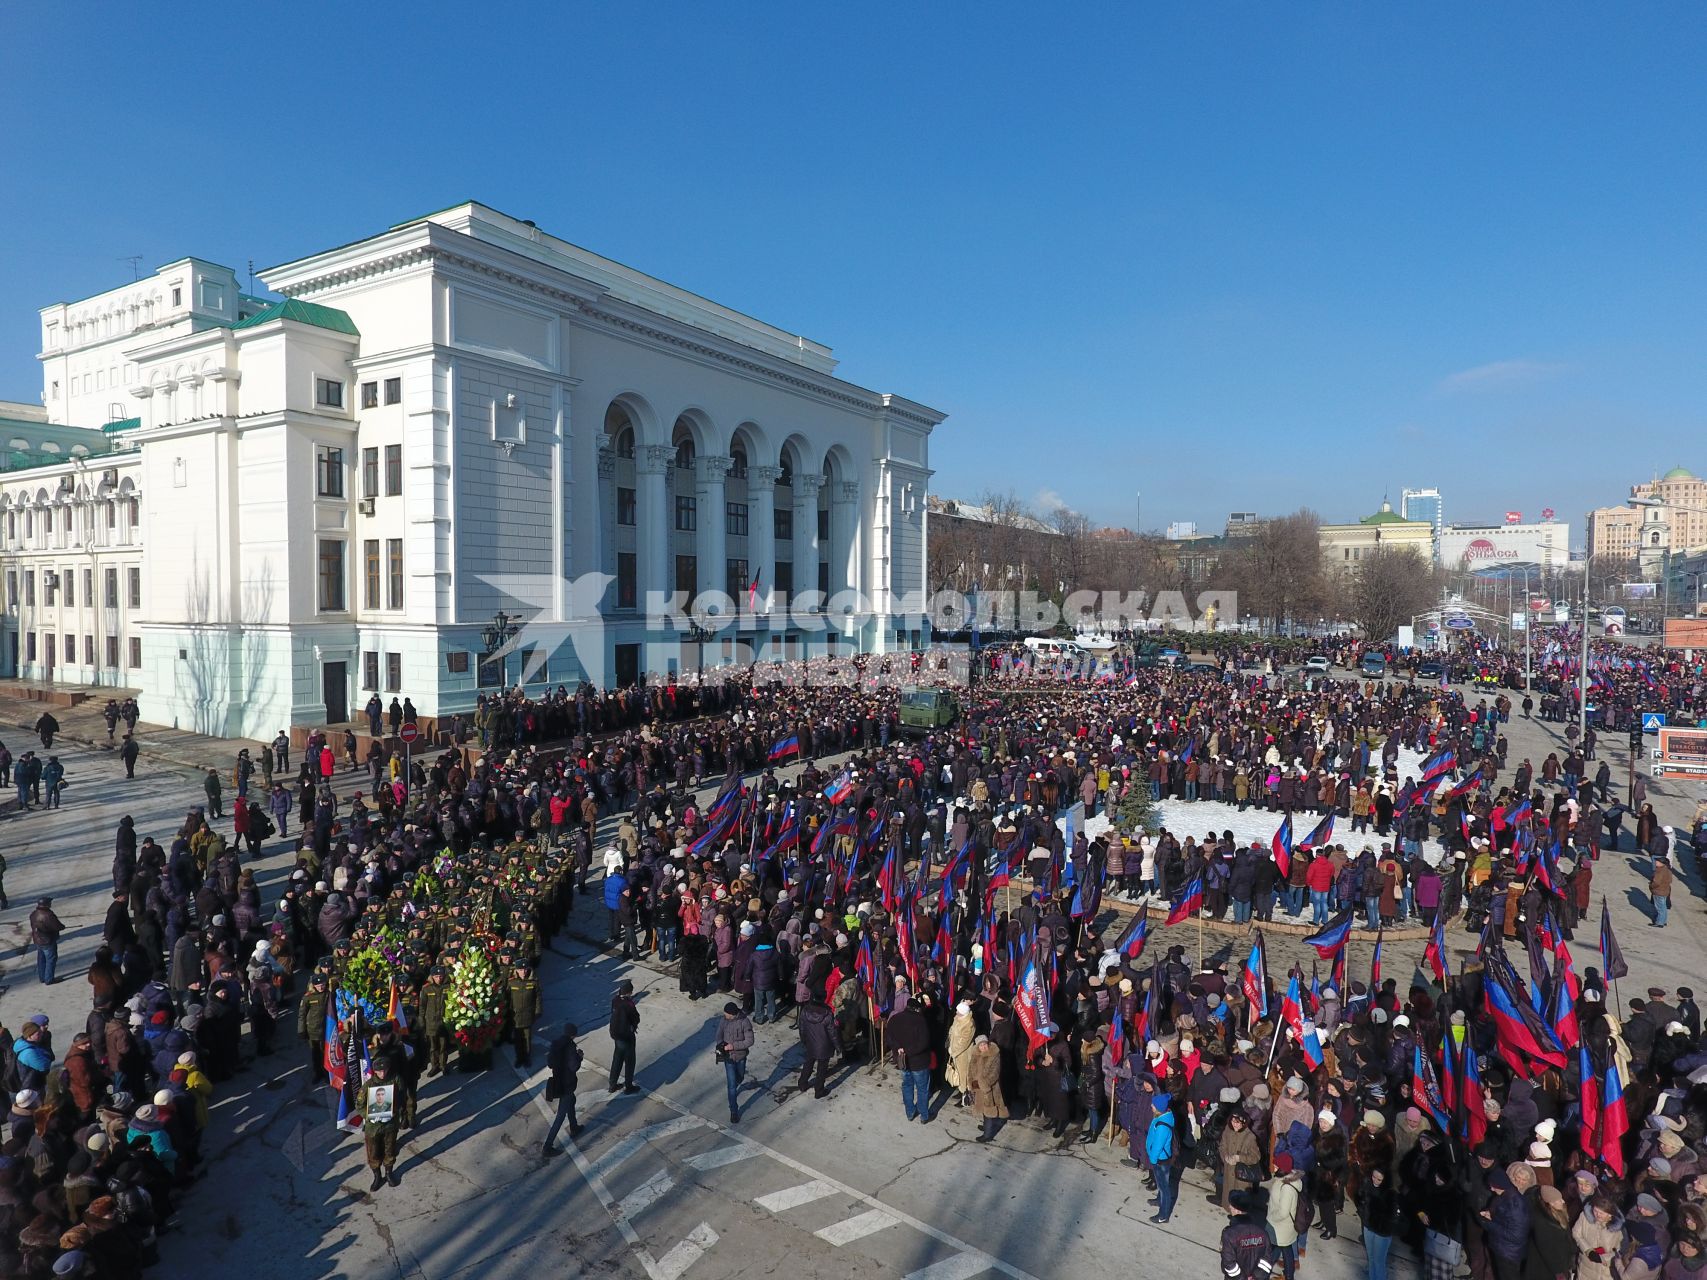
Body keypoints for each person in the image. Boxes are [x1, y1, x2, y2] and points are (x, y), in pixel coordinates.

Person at [886, 996, 934, 1123]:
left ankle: (910, 1112)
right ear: (917, 1009)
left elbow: (889, 1038)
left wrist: (899, 1049)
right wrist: (909, 1051)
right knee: (922, 1089)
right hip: (919, 1062)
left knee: (907, 1086)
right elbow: (924, 1043)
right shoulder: (920, 1021)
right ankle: (924, 1115)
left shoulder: (895, 1019)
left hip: (903, 1062)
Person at [542, 1023, 585, 1156]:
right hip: (567, 1083)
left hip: (558, 1081)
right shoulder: (571, 1047)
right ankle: (547, 1146)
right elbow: (573, 1067)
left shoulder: (555, 1044)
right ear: (573, 1035)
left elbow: (550, 1063)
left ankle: (574, 1126)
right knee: (560, 1116)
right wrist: (579, 1057)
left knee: (572, 1100)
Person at [363, 1056, 401, 1190]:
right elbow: (359, 1104)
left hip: (390, 1124)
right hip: (373, 1127)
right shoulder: (369, 1085)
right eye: (379, 1071)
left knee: (389, 1150)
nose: (383, 1073)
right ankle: (377, 1176)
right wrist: (368, 1116)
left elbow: (401, 1097)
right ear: (374, 1071)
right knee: (373, 1153)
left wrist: (394, 1110)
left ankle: (389, 1173)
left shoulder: (395, 1080)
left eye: (385, 1070)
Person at [1146, 1079, 1178, 1223]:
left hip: (1161, 1160)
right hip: (1161, 1158)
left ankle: (1163, 1215)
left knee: (1164, 1187)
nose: (1151, 1105)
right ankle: (1159, 1200)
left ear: (1159, 1108)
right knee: (1161, 1184)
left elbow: (1158, 1146)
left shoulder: (1162, 1126)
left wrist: (1152, 1160)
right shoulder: (1164, 1116)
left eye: (1153, 1104)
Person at [716, 1002, 754, 1122]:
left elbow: (750, 1041)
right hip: (729, 1058)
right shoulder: (724, 1020)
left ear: (733, 1014)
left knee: (740, 1076)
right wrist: (720, 1045)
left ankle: (738, 1082)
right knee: (731, 1085)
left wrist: (733, 1046)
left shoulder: (744, 1022)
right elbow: (719, 1034)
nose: (725, 1016)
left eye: (727, 1014)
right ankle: (734, 1110)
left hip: (741, 1056)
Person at [1359, 1166, 1397, 1280]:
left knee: (1378, 1262)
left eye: (1379, 1179)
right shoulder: (1367, 1186)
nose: (1375, 1180)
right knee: (1371, 1259)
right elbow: (1362, 1203)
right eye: (1373, 1177)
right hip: (1368, 1227)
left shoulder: (1391, 1194)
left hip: (1381, 1233)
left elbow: (1392, 1216)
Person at [796, 994, 836, 1101]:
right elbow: (833, 1033)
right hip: (824, 1046)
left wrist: (804, 1040)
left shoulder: (805, 1011)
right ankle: (819, 1090)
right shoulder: (827, 1014)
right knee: (821, 1069)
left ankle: (802, 1083)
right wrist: (838, 1046)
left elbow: (802, 1028)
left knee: (808, 1063)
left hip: (810, 1044)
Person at [968, 1035, 1006, 1143]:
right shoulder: (975, 1055)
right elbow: (970, 1068)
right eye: (981, 1045)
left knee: (988, 1111)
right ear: (977, 1047)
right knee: (982, 1109)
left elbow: (995, 1073)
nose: (983, 1047)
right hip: (977, 1087)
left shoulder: (994, 1055)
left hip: (989, 1089)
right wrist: (970, 1081)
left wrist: (985, 1085)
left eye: (985, 1044)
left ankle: (988, 1135)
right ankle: (986, 1126)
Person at [609, 978, 640, 1094]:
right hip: (627, 1037)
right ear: (628, 992)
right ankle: (628, 1086)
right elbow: (636, 1018)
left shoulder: (615, 1000)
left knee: (617, 1059)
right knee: (630, 1061)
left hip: (616, 1036)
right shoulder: (629, 1004)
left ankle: (612, 1084)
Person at [508, 960, 541, 1068]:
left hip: (527, 1015)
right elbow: (507, 998)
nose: (523, 972)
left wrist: (537, 1011)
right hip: (516, 1016)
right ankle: (519, 1058)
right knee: (518, 1039)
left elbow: (538, 998)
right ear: (516, 970)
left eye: (525, 969)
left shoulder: (533, 982)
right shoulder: (512, 982)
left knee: (527, 1038)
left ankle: (527, 1057)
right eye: (521, 970)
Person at [29, 896, 63, 985]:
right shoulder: (48, 915)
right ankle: (49, 979)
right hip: (48, 940)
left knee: (41, 959)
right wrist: (62, 927)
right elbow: (57, 926)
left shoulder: (33, 914)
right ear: (47, 904)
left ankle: (42, 977)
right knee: (51, 959)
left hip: (38, 940)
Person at [1650, 854, 1672, 928]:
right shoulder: (1667, 870)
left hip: (1658, 891)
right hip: (1665, 891)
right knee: (1663, 907)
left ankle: (1659, 922)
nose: (1655, 862)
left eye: (1657, 861)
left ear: (1661, 863)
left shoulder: (1659, 871)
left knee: (1659, 908)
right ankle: (1664, 921)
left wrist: (1651, 886)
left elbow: (1656, 882)